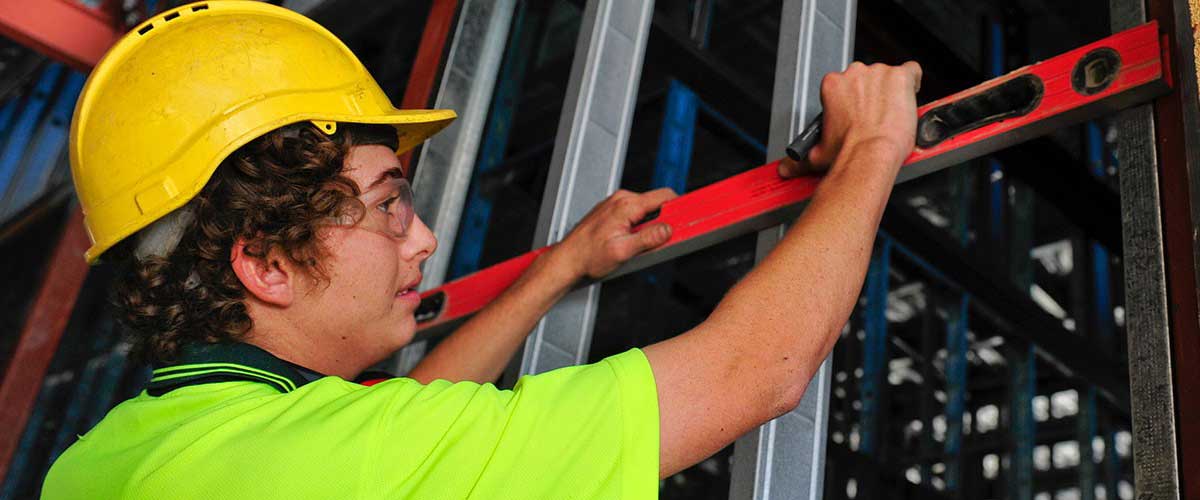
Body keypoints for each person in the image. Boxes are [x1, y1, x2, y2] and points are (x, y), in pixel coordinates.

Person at [42, 2, 920, 499]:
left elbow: (409, 420)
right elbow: (751, 371)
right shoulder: (336, 466)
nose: (423, 238)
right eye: (389, 206)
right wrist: (876, 148)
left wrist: (560, 269)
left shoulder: (96, 465)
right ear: (266, 264)